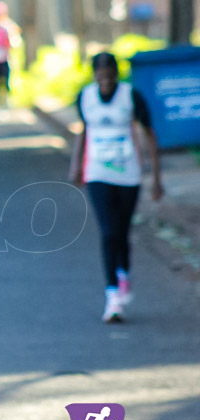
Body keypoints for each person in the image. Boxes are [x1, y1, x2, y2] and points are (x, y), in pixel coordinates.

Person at [69, 51, 162, 323]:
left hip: (128, 173)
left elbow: (149, 134)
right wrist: (76, 164)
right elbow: (84, 130)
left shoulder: (132, 96)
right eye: (101, 76)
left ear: (116, 75)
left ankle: (125, 273)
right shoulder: (85, 97)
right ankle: (113, 297)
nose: (106, 81)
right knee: (108, 232)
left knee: (122, 231)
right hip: (97, 172)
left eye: (110, 76)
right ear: (94, 76)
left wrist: (156, 177)